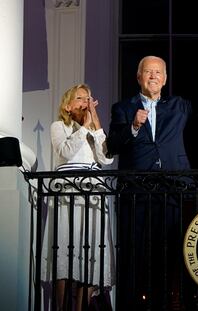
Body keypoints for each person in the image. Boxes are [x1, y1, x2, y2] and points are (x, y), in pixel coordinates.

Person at [107, 46, 198, 309]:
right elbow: (112, 146)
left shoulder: (179, 106)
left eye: (158, 72)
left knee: (171, 259)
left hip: (174, 193)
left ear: (165, 78)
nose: (153, 76)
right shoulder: (123, 108)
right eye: (148, 71)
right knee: (136, 259)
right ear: (138, 77)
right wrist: (133, 127)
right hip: (137, 195)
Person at [41, 84, 115, 311]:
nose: (86, 102)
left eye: (89, 99)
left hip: (93, 195)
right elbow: (65, 151)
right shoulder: (59, 126)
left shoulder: (91, 130)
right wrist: (84, 127)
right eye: (81, 98)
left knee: (90, 250)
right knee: (66, 246)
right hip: (69, 196)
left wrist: (96, 123)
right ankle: (62, 306)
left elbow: (106, 158)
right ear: (68, 105)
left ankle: (82, 306)